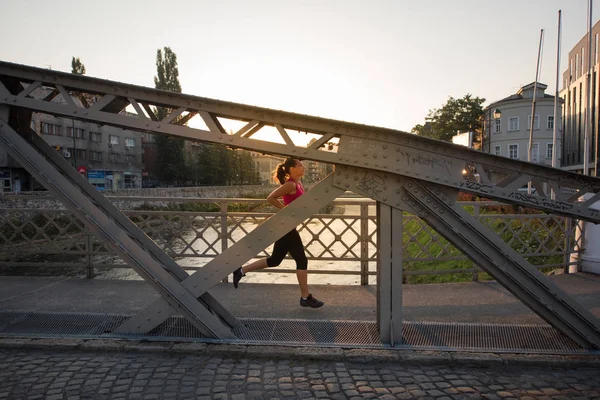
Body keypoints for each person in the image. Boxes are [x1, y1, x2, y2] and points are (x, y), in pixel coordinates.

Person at [232, 157, 324, 308]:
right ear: (292, 169)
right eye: (300, 165)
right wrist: (285, 211)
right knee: (301, 261)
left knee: (275, 260)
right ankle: (305, 297)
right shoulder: (289, 185)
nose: (303, 167)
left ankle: (241, 270)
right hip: (286, 226)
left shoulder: (298, 184)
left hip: (288, 227)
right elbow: (271, 198)